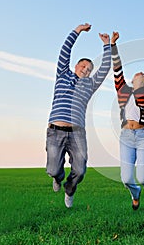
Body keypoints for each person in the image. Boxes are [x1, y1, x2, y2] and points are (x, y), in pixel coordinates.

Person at [46, 23, 111, 208]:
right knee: (52, 169)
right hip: (55, 131)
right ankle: (58, 178)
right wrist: (77, 31)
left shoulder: (89, 85)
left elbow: (105, 68)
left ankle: (70, 188)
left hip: (77, 133)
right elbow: (65, 51)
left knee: (80, 170)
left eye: (89, 69)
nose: (86, 70)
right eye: (83, 66)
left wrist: (106, 45)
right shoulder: (62, 75)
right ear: (76, 66)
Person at [111, 31, 144, 210]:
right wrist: (113, 45)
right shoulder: (123, 90)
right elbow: (117, 68)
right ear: (132, 81)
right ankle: (135, 194)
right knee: (126, 178)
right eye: (136, 73)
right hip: (126, 136)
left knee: (142, 176)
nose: (140, 72)